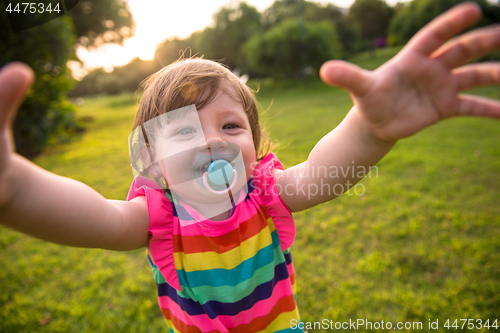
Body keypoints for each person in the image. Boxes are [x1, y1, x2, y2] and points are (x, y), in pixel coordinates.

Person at [1, 2, 499, 332]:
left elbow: (328, 169)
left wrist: (372, 129)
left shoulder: (265, 192)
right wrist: (15, 189)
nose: (213, 140)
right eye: (184, 131)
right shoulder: (156, 219)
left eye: (231, 127)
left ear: (254, 145)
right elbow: (89, 216)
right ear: (151, 163)